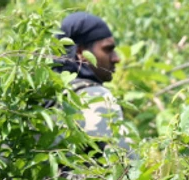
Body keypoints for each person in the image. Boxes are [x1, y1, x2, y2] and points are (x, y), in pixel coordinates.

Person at [53, 12, 132, 154]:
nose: (116, 58)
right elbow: (123, 163)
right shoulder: (95, 95)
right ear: (81, 53)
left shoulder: (42, 93)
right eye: (108, 49)